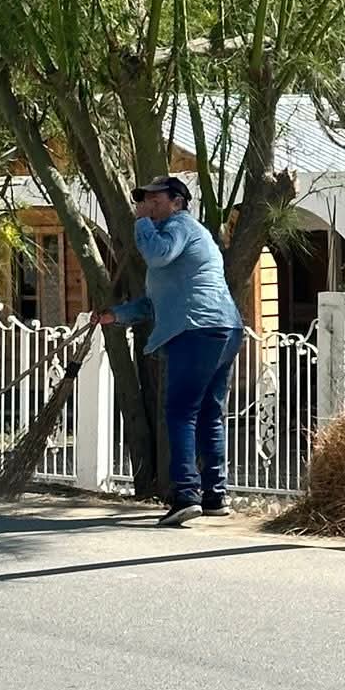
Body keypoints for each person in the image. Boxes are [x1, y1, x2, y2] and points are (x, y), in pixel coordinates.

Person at [93, 176, 244, 528]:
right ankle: (215, 496)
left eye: (155, 201)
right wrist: (116, 315)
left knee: (180, 412)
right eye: (144, 201)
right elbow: (153, 303)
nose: (148, 206)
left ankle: (186, 495)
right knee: (208, 413)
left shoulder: (178, 228)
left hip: (196, 330)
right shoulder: (184, 239)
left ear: (177, 203)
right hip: (222, 327)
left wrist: (141, 223)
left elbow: (158, 255)